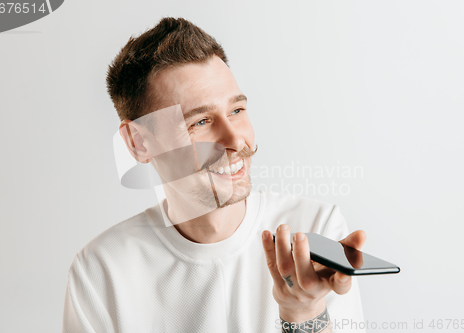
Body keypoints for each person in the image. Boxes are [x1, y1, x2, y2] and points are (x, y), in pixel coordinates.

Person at [62, 17, 367, 333]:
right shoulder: (101, 270)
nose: (236, 140)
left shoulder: (314, 229)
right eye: (200, 122)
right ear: (139, 143)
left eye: (236, 111)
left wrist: (304, 315)